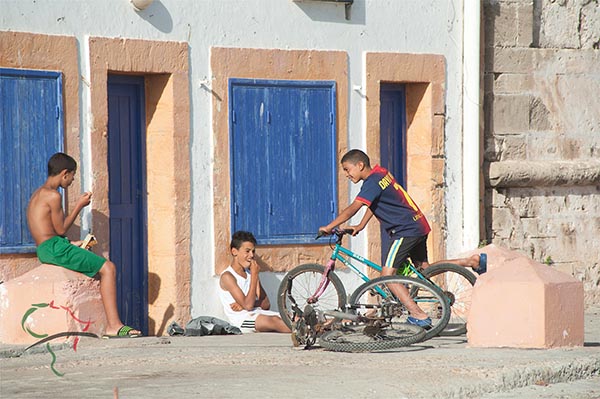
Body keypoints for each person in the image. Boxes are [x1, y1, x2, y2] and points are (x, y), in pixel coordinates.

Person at [319, 149, 486, 328]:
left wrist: (329, 226)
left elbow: (353, 207)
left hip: (404, 230)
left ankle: (418, 315)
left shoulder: (371, 183)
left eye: (347, 169)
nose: (346, 174)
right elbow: (373, 202)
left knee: (387, 276)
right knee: (424, 270)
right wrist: (361, 225)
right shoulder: (380, 173)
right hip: (418, 224)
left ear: (360, 165)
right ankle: (471, 261)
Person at [26, 152, 141, 338]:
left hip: (47, 247)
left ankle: (113, 324)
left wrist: (71, 244)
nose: (71, 181)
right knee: (108, 268)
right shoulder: (53, 196)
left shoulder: (37, 194)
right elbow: (61, 228)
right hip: (54, 247)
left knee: (100, 265)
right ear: (64, 173)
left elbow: (48, 230)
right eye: (71, 176)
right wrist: (80, 205)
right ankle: (114, 325)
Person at [218, 231, 291, 333]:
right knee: (275, 321)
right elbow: (248, 306)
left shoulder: (250, 273)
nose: (251, 255)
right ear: (234, 252)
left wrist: (248, 304)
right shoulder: (228, 276)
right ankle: (306, 332)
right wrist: (254, 276)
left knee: (291, 317)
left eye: (253, 251)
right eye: (247, 251)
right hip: (243, 320)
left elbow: (266, 305)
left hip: (257, 313)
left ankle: (315, 329)